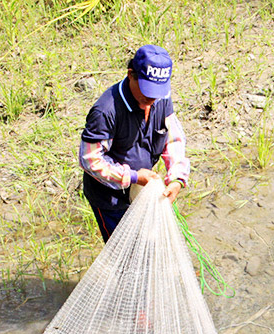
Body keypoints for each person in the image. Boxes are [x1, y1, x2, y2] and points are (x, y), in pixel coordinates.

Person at [79, 44, 190, 242]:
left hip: (140, 189)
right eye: (147, 90)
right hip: (110, 197)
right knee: (122, 250)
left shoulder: (160, 98)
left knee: (146, 243)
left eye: (157, 91)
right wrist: (132, 176)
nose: (152, 98)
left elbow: (173, 139)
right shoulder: (106, 111)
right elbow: (91, 160)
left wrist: (177, 179)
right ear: (131, 74)